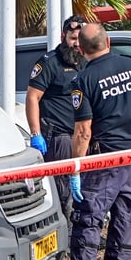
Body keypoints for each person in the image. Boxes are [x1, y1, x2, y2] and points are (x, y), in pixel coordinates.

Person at [51, 23, 131, 260]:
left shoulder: (83, 80)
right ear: (108, 41)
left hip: (104, 158)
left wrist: (75, 168)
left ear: (81, 49)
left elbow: (83, 131)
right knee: (126, 218)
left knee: (89, 219)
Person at [25, 14, 87, 210]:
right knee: (64, 193)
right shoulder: (49, 62)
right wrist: (36, 134)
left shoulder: (86, 60)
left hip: (84, 135)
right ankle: (66, 236)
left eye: (80, 39)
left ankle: (80, 234)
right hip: (60, 137)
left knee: (84, 190)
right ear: (63, 36)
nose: (76, 43)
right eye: (73, 38)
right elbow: (32, 98)